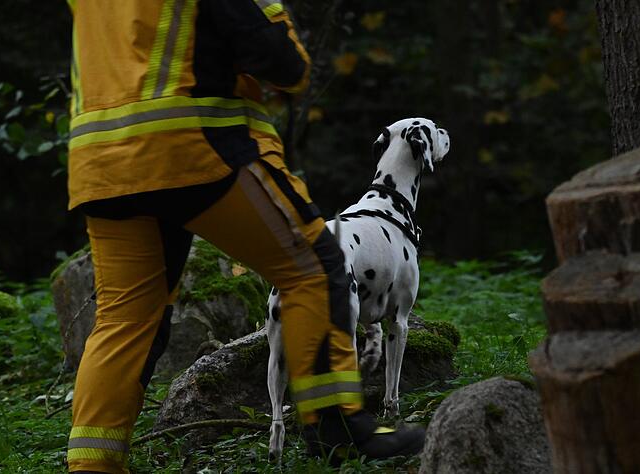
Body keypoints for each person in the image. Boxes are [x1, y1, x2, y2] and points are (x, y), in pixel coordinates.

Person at [64, 1, 424, 472]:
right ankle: (336, 428)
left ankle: (91, 466)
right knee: (315, 267)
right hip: (190, 144)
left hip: (100, 160)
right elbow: (281, 62)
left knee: (125, 319)